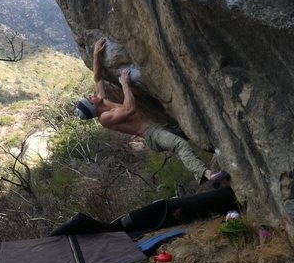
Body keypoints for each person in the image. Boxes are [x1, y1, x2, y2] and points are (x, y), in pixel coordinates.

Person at [75, 37, 226, 185]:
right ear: (92, 107)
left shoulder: (102, 101)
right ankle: (207, 174)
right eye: (90, 98)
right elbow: (129, 109)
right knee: (180, 145)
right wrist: (125, 84)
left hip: (160, 124)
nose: (92, 95)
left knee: (195, 132)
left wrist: (96, 54)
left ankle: (215, 166)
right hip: (152, 134)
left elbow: (97, 78)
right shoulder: (105, 118)